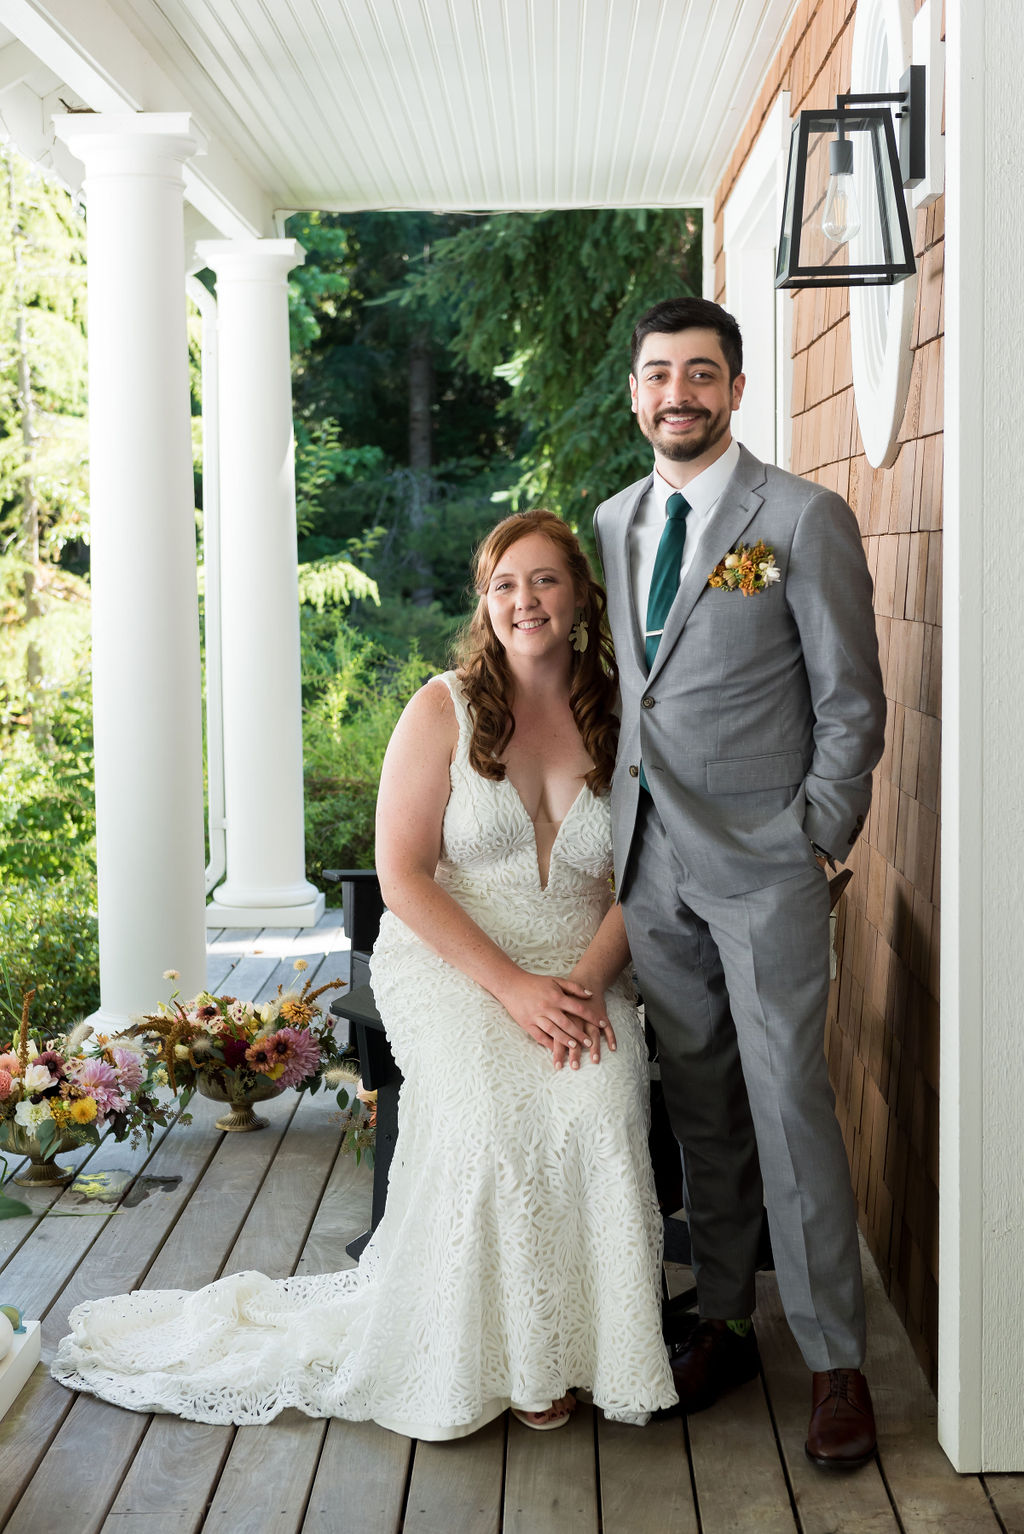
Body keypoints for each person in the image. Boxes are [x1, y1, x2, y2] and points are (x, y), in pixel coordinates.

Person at [52, 509, 678, 1438]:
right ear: (484, 602)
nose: (524, 601)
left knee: (600, 1096)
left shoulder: (627, 712)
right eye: (503, 584)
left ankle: (587, 1349)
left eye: (544, 580)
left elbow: (649, 872)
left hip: (581, 963)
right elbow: (403, 879)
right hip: (453, 957)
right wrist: (511, 987)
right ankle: (511, 1363)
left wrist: (582, 980)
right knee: (490, 1110)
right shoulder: (444, 708)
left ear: (582, 594)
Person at [593, 297, 886, 1468]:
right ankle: (722, 1317)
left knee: (788, 1106)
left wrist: (813, 838)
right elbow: (639, 692)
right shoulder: (615, 520)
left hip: (765, 867)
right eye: (659, 373)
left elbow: (850, 700)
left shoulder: (802, 520)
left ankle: (836, 1362)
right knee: (699, 1100)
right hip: (649, 863)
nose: (679, 393)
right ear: (635, 392)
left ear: (736, 387)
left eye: (701, 374)